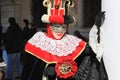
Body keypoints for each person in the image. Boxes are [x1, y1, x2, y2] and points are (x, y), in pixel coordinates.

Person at [21, 0, 108, 80]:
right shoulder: (38, 43)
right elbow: (29, 71)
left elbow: (92, 53)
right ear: (49, 26)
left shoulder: (72, 43)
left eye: (63, 27)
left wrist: (97, 27)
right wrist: (44, 72)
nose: (59, 31)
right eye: (55, 27)